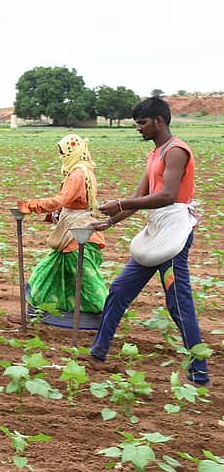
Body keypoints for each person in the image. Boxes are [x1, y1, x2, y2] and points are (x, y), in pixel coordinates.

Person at [87, 96, 209, 386]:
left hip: (173, 236)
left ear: (159, 121)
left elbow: (167, 195)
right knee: (118, 290)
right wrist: (109, 221)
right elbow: (141, 199)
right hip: (156, 232)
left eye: (142, 123)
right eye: (136, 123)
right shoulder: (155, 154)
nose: (138, 128)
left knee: (178, 304)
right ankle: (98, 354)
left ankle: (199, 372)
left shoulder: (176, 151)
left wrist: (119, 202)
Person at [12, 134, 107, 320]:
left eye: (63, 152)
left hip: (76, 233)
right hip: (73, 231)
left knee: (88, 282)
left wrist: (31, 206)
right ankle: (38, 314)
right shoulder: (84, 170)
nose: (62, 156)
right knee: (46, 273)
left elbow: (61, 200)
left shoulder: (78, 174)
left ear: (72, 151)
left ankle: (108, 315)